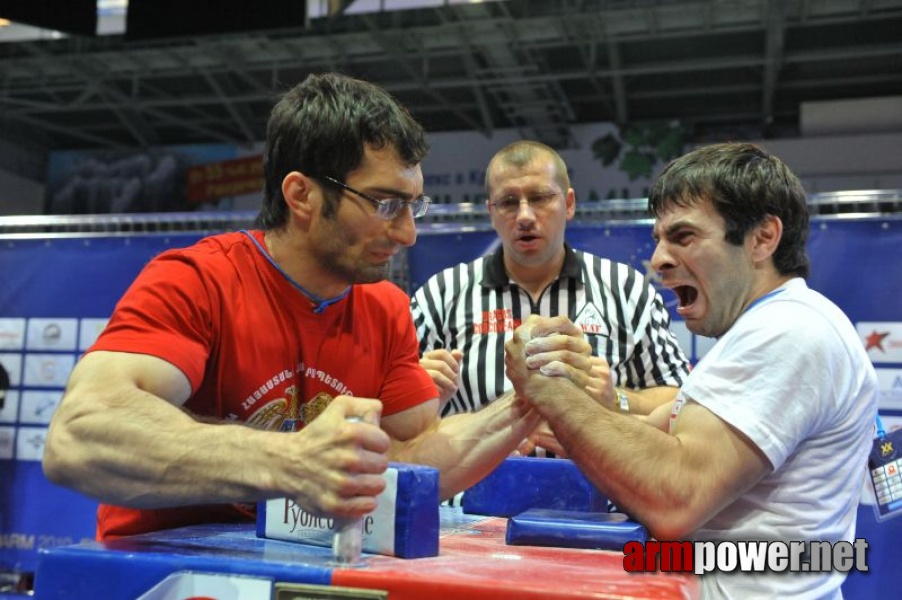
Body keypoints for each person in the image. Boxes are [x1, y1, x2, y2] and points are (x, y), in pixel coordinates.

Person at [42, 73, 598, 540]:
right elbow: (81, 436)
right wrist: (294, 462)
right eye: (385, 204)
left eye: (413, 206)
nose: (407, 234)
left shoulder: (383, 307)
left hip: (309, 574)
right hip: (162, 576)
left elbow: (414, 460)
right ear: (302, 195)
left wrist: (532, 397)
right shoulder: (197, 280)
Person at [505, 142, 878, 598]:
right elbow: (646, 438)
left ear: (762, 238)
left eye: (683, 237)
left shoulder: (789, 331)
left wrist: (552, 391)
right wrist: (573, 402)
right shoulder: (760, 328)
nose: (659, 258)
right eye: (660, 238)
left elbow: (674, 496)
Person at [412, 140, 689, 428]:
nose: (525, 216)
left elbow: (680, 399)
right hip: (481, 474)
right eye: (507, 202)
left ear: (568, 204)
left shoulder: (627, 290)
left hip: (596, 473)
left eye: (540, 198)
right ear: (491, 212)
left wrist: (616, 398)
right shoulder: (440, 295)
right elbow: (389, 406)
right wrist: (418, 390)